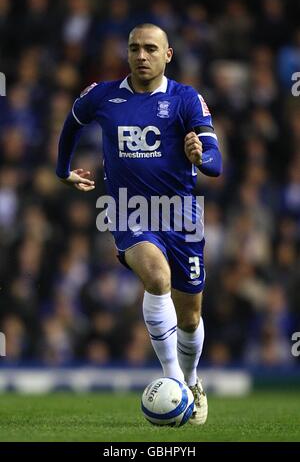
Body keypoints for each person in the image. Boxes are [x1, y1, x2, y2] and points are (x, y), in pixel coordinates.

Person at [56, 23, 222, 425]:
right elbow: (71, 123)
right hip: (129, 211)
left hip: (181, 217)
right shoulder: (103, 95)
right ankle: (174, 382)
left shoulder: (185, 99)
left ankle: (193, 380)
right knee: (158, 278)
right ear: (127, 53)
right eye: (135, 48)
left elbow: (214, 162)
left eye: (151, 48)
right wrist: (63, 170)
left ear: (168, 55)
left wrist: (200, 157)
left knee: (191, 317)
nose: (141, 55)